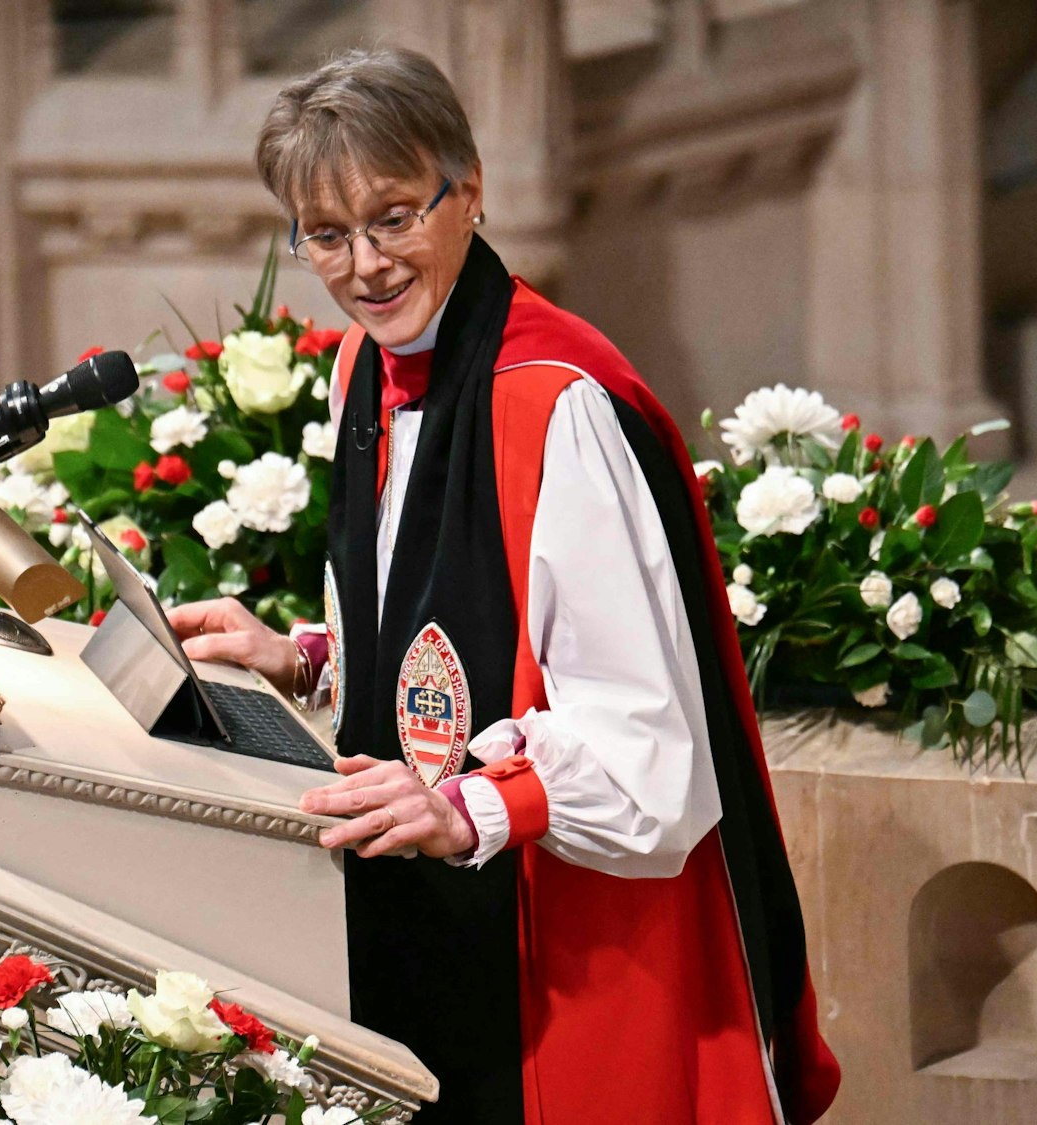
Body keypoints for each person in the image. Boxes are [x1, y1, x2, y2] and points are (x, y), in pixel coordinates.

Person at [168, 48, 840, 1125]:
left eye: (394, 218)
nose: (365, 266)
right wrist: (308, 658)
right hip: (423, 915)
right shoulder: (359, 370)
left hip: (568, 947)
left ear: (469, 190)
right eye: (326, 235)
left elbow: (649, 753)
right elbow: (453, 626)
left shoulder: (557, 405)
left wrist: (468, 805)